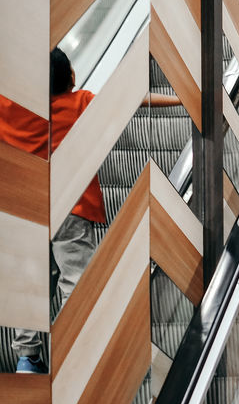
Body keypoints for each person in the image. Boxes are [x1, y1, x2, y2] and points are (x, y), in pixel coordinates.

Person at [0, 48, 183, 374]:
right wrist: (183, 100)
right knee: (76, 281)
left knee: (31, 283)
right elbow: (136, 99)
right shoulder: (80, 101)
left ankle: (27, 359)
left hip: (24, 207)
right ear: (69, 76)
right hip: (72, 205)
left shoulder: (8, 109)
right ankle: (78, 355)